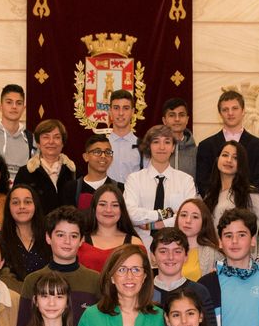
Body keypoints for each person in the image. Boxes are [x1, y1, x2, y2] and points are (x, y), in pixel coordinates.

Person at [18, 205, 101, 326]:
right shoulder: (32, 280)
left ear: (82, 240)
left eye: (73, 236)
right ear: (48, 237)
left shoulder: (95, 280)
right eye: (60, 235)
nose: (67, 241)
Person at [124, 124, 198, 252]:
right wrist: (166, 213)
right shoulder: (134, 179)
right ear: (149, 146)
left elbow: (188, 218)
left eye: (167, 142)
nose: (162, 147)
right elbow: (131, 214)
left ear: (173, 147)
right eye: (156, 142)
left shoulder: (186, 181)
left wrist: (154, 224)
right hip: (140, 246)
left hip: (176, 248)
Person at [202, 140, 259, 260]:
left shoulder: (250, 193)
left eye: (235, 157)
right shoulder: (210, 195)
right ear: (217, 159)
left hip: (243, 262)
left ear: (241, 164)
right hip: (212, 262)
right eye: (225, 155)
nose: (229, 160)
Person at [195, 90, 259, 194]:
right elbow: (203, 183)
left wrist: (239, 201)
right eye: (225, 109)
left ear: (243, 111)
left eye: (235, 108)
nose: (230, 113)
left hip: (247, 207)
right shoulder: (206, 146)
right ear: (220, 114)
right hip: (215, 207)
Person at [78, 184, 146, 273]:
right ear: (94, 208)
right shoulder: (79, 241)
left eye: (115, 205)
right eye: (102, 204)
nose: (108, 210)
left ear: (122, 209)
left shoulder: (135, 243)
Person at [13, 119, 77, 213]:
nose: (51, 142)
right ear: (38, 143)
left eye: (57, 137)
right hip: (36, 227)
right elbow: (17, 204)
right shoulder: (25, 172)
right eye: (46, 137)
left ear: (62, 143)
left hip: (66, 225)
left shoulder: (73, 172)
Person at [0, 185, 50, 283]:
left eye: (27, 202)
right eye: (15, 202)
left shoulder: (49, 238)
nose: (22, 206)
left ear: (35, 205)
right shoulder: (0, 241)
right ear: (8, 208)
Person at [175, 198, 222, 281]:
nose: (188, 221)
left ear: (204, 222)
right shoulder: (167, 248)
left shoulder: (214, 254)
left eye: (195, 217)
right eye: (183, 215)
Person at [76, 134, 120, 210]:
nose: (103, 156)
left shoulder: (120, 189)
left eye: (108, 152)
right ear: (86, 157)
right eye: (97, 152)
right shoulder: (72, 189)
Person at [106, 89, 140, 184]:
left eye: (126, 108)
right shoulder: (101, 145)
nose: (121, 113)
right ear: (110, 111)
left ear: (133, 112)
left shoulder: (143, 146)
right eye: (116, 108)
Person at [162, 97, 197, 180]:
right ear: (164, 120)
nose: (177, 119)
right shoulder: (157, 149)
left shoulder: (197, 151)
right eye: (172, 115)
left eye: (181, 115)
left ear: (187, 119)